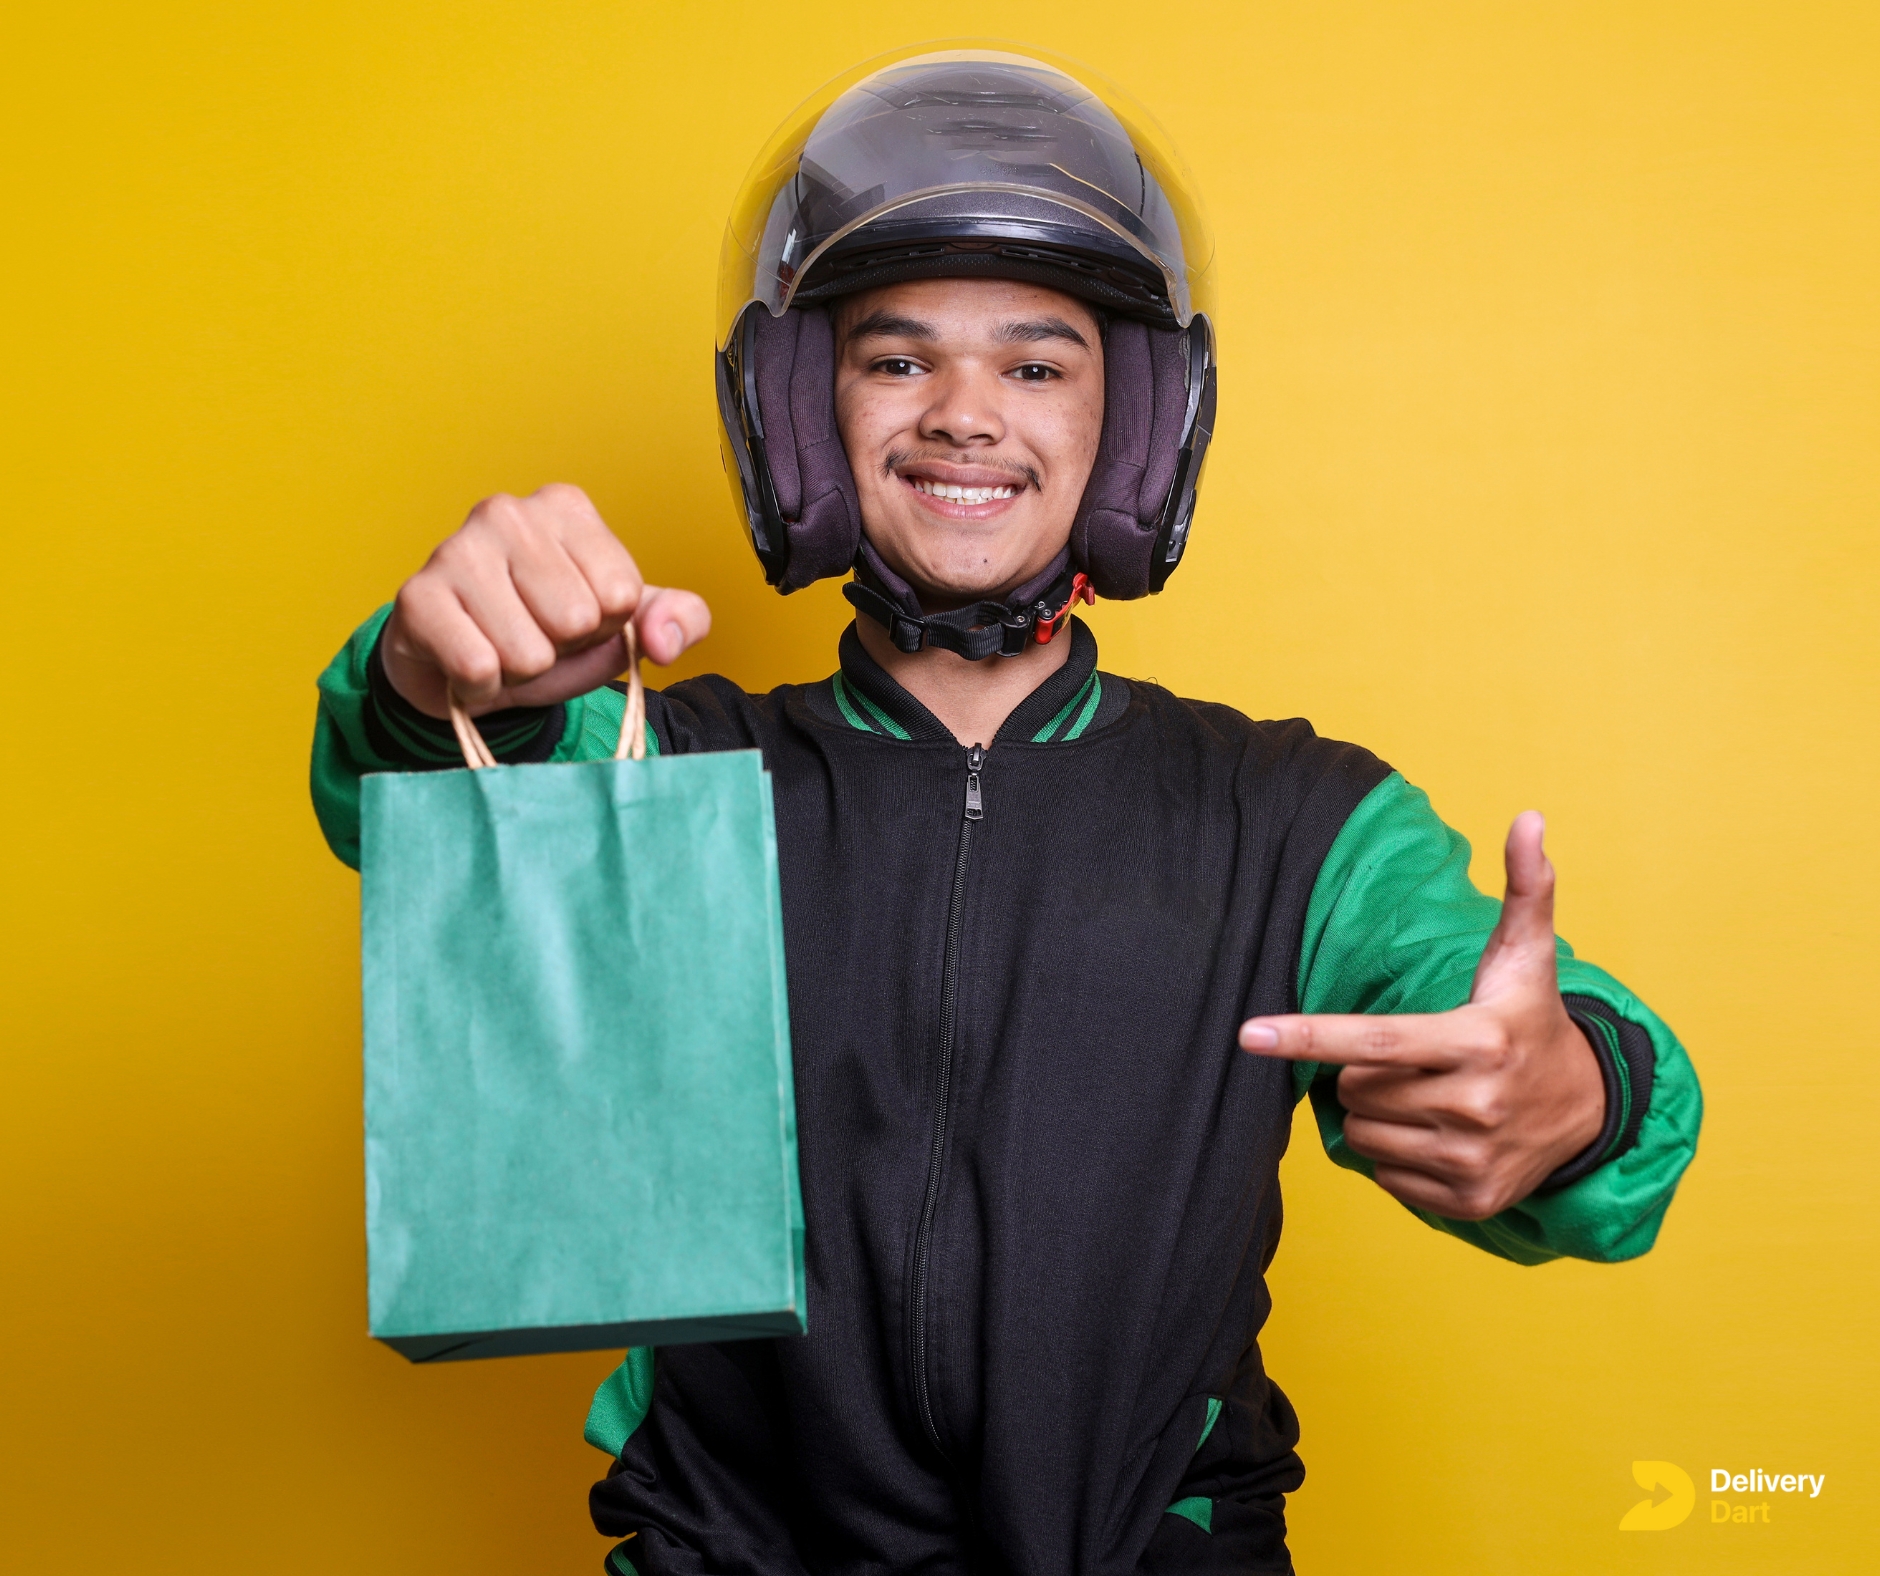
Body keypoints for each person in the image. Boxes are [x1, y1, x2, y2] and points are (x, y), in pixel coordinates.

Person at [310, 48, 1701, 1575]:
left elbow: (1490, 1004)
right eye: (898, 360)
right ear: (798, 414)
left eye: (1037, 366)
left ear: (1136, 426)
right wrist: (445, 663)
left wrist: (1575, 1093)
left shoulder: (1297, 818)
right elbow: (411, 787)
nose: (967, 414)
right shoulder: (653, 765)